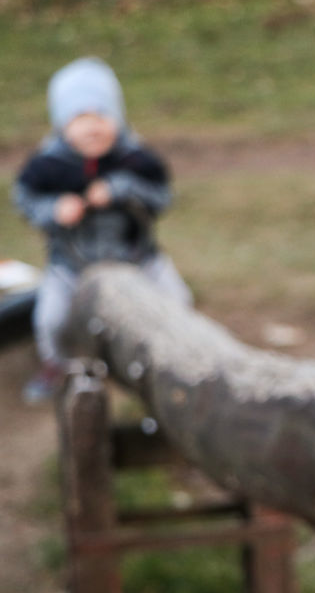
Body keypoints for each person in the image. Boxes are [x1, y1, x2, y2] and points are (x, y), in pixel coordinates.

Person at [12, 57, 192, 403]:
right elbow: (25, 200)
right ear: (62, 123)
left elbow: (162, 197)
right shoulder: (46, 167)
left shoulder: (136, 160)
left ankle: (179, 361)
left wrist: (122, 188)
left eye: (102, 116)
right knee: (52, 317)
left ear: (118, 117)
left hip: (138, 258)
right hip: (71, 265)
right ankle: (58, 364)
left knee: (178, 301)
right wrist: (54, 210)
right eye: (80, 117)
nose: (92, 127)